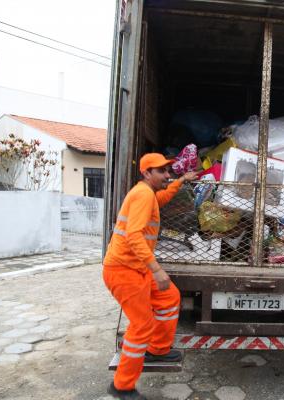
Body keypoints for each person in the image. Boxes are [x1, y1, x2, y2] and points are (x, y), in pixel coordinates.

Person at [103, 153, 198, 400]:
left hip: (136, 268)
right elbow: (133, 236)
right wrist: (157, 269)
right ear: (147, 173)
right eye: (162, 171)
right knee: (141, 325)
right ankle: (121, 387)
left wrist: (181, 181)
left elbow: (162, 199)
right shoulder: (143, 194)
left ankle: (157, 350)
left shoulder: (148, 194)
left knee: (169, 298)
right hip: (124, 271)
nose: (167, 174)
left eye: (168, 170)